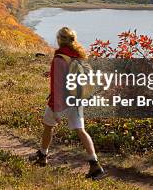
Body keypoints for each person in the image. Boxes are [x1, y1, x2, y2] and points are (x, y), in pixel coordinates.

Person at [29, 26, 106, 180]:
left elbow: (57, 86)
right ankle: (95, 164)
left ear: (59, 40)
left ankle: (42, 156)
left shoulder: (59, 58)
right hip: (76, 99)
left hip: (61, 100)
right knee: (81, 130)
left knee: (48, 126)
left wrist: (56, 109)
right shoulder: (78, 55)